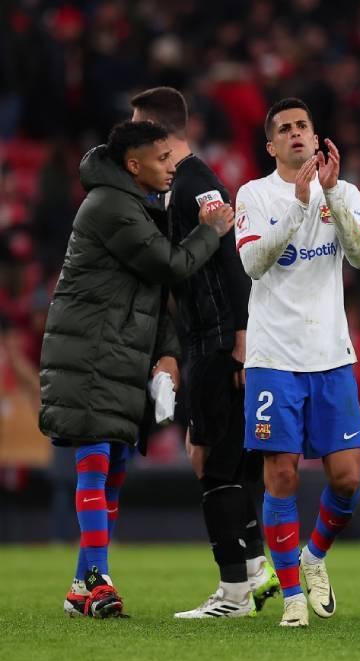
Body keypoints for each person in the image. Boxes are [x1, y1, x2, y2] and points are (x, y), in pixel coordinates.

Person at [42, 120, 231, 618]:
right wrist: (209, 232)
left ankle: (82, 586)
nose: (172, 167)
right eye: (163, 158)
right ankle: (98, 579)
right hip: (90, 352)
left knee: (115, 467)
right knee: (98, 456)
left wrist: (164, 353)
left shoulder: (133, 205)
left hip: (117, 350)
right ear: (134, 164)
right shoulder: (111, 206)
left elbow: (149, 294)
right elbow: (168, 265)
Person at [128, 86, 282, 619]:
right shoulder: (179, 184)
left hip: (219, 340)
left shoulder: (198, 182)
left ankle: (235, 590)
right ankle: (256, 569)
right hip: (205, 340)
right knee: (211, 459)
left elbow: (231, 259)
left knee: (216, 464)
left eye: (135, 126)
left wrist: (240, 336)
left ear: (155, 131)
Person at [235, 98, 360, 628]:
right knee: (282, 474)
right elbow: (252, 261)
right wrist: (296, 204)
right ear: (271, 146)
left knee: (346, 480)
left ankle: (313, 557)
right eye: (285, 129)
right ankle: (292, 594)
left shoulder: (346, 193)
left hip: (330, 354)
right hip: (273, 356)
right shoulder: (254, 194)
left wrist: (331, 196)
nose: (296, 134)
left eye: (303, 127)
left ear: (316, 139)